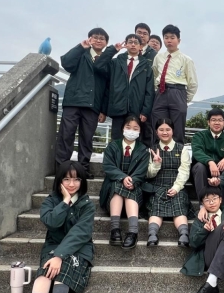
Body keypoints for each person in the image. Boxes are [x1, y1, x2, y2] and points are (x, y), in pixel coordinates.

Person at [16, 161, 94, 293]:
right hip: (53, 245)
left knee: (64, 267)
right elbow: (51, 222)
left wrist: (60, 255)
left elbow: (80, 233)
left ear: (82, 181)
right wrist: (65, 201)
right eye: (66, 179)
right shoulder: (51, 201)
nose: (72, 184)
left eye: (76, 179)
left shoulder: (87, 204)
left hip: (79, 248)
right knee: (45, 271)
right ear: (59, 181)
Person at [56, 28, 109, 179]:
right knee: (66, 135)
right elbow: (66, 63)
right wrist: (80, 47)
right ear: (89, 39)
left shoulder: (107, 61)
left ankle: (83, 169)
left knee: (87, 139)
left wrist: (104, 110)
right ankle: (61, 168)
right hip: (73, 102)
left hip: (93, 105)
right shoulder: (81, 54)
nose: (98, 40)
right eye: (95, 37)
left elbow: (108, 88)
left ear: (106, 43)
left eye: (102, 38)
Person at [99, 116, 150, 250]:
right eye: (128, 127)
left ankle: (132, 232)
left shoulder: (143, 150)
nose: (131, 131)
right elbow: (108, 166)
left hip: (135, 186)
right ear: (122, 128)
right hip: (112, 188)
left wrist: (133, 180)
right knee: (118, 186)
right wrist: (122, 177)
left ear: (140, 131)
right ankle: (115, 229)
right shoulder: (112, 146)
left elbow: (142, 170)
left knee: (129, 188)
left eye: (135, 128)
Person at [94, 34, 155, 142]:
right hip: (118, 107)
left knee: (135, 140)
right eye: (130, 42)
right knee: (116, 140)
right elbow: (99, 66)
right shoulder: (116, 62)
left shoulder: (146, 66)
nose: (133, 45)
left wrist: (145, 111)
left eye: (136, 43)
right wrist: (113, 50)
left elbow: (149, 91)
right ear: (126, 45)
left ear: (140, 46)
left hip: (136, 109)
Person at [145, 118, 192, 247]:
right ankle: (152, 234)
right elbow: (148, 174)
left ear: (173, 131)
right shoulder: (151, 150)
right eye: (161, 130)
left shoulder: (182, 149)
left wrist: (176, 187)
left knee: (179, 206)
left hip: (177, 186)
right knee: (156, 208)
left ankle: (184, 234)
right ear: (156, 132)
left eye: (168, 129)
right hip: (157, 186)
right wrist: (156, 164)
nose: (164, 132)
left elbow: (184, 171)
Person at [152, 24, 199, 145]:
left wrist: (184, 99)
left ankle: (178, 154)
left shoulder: (186, 59)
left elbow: (193, 83)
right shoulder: (158, 57)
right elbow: (154, 75)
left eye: (172, 37)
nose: (169, 40)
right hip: (161, 93)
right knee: (158, 126)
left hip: (178, 92)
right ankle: (157, 154)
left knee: (177, 129)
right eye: (166, 37)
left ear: (178, 40)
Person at [191, 108, 224, 203]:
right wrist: (210, 162)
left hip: (221, 172)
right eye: (213, 120)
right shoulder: (199, 136)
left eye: (220, 120)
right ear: (208, 122)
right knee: (199, 167)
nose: (217, 123)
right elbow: (197, 151)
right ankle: (203, 204)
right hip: (202, 172)